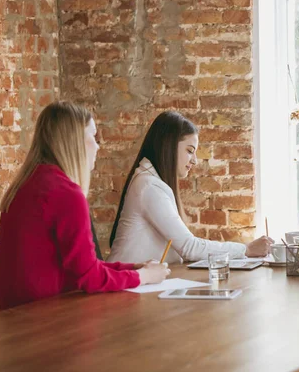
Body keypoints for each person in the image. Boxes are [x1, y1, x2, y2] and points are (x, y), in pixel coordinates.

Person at [0, 101, 169, 311]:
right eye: (93, 138)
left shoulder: (25, 185)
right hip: (46, 321)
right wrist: (143, 277)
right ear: (75, 142)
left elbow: (80, 265)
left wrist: (132, 268)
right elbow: (89, 277)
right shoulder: (66, 194)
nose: (98, 147)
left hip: (14, 320)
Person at [107, 111, 272, 264]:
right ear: (169, 146)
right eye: (189, 150)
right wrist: (247, 249)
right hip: (124, 289)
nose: (195, 160)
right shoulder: (149, 186)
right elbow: (189, 247)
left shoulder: (150, 182)